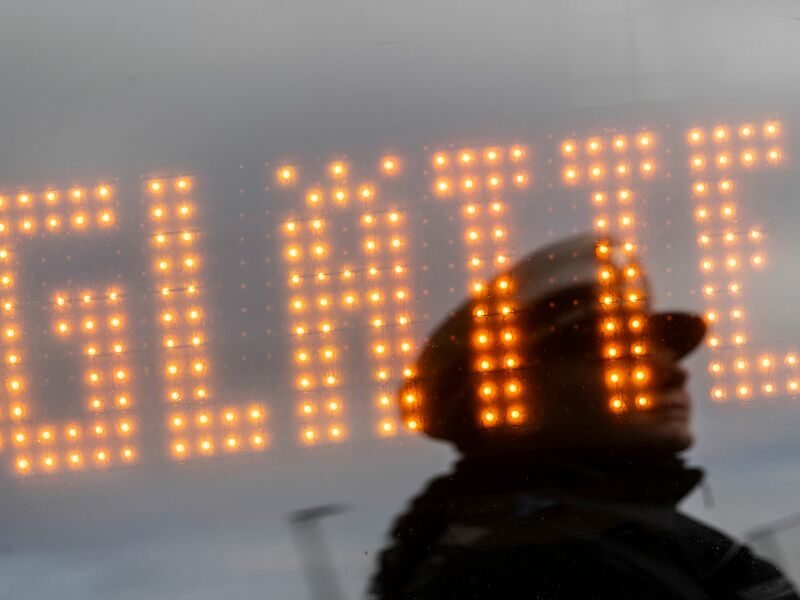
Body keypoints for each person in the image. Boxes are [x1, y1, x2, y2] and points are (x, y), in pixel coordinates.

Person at [370, 234, 799, 600]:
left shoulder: (625, 538)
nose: (674, 373)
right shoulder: (537, 563)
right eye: (619, 355)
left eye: (666, 354)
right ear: (513, 394)